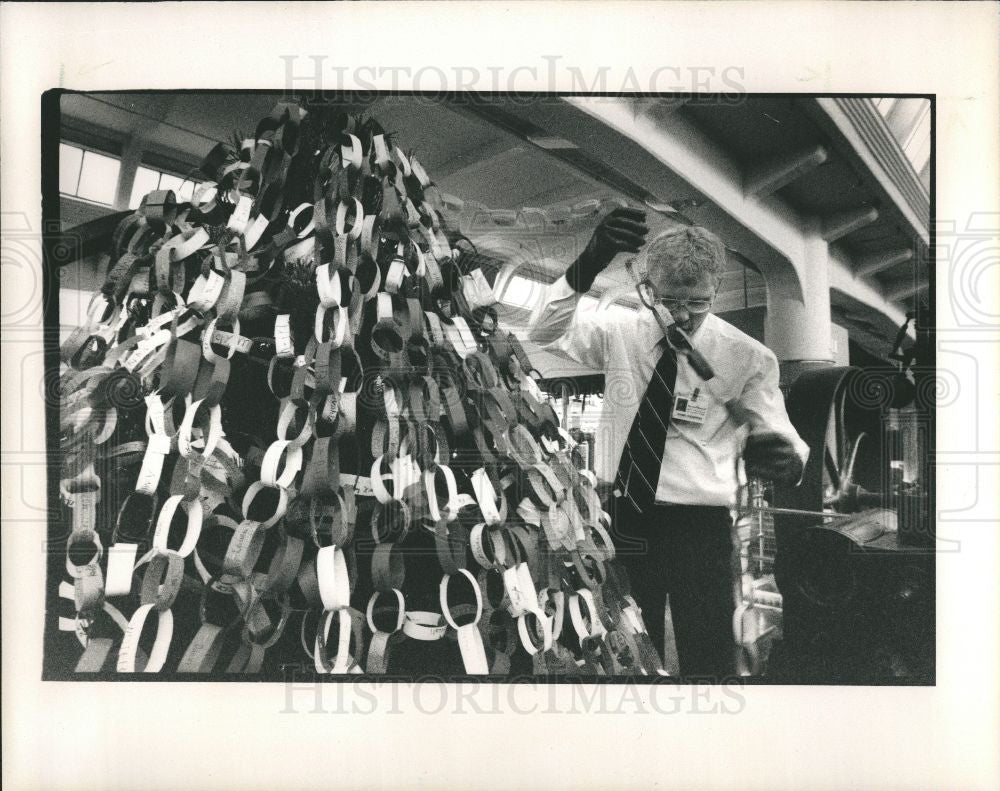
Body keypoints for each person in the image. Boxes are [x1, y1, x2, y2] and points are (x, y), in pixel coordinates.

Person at [528, 207, 809, 678]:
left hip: (700, 527)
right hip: (620, 514)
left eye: (697, 302)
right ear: (646, 290)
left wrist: (785, 459)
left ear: (716, 290)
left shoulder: (747, 357)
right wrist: (588, 262)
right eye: (668, 300)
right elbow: (544, 331)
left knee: (708, 650)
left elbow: (784, 438)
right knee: (621, 645)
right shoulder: (620, 332)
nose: (681, 315)